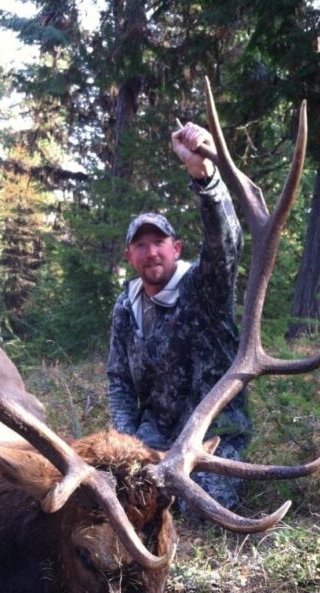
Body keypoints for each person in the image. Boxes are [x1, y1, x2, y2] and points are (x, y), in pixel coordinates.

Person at [107, 122, 251, 511]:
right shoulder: (126, 307)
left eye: (158, 243)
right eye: (141, 245)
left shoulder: (204, 286)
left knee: (199, 507)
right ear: (129, 256)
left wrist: (203, 176)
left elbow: (226, 242)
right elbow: (119, 380)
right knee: (118, 494)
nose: (151, 252)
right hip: (157, 433)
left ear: (176, 248)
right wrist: (128, 442)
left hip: (214, 432)